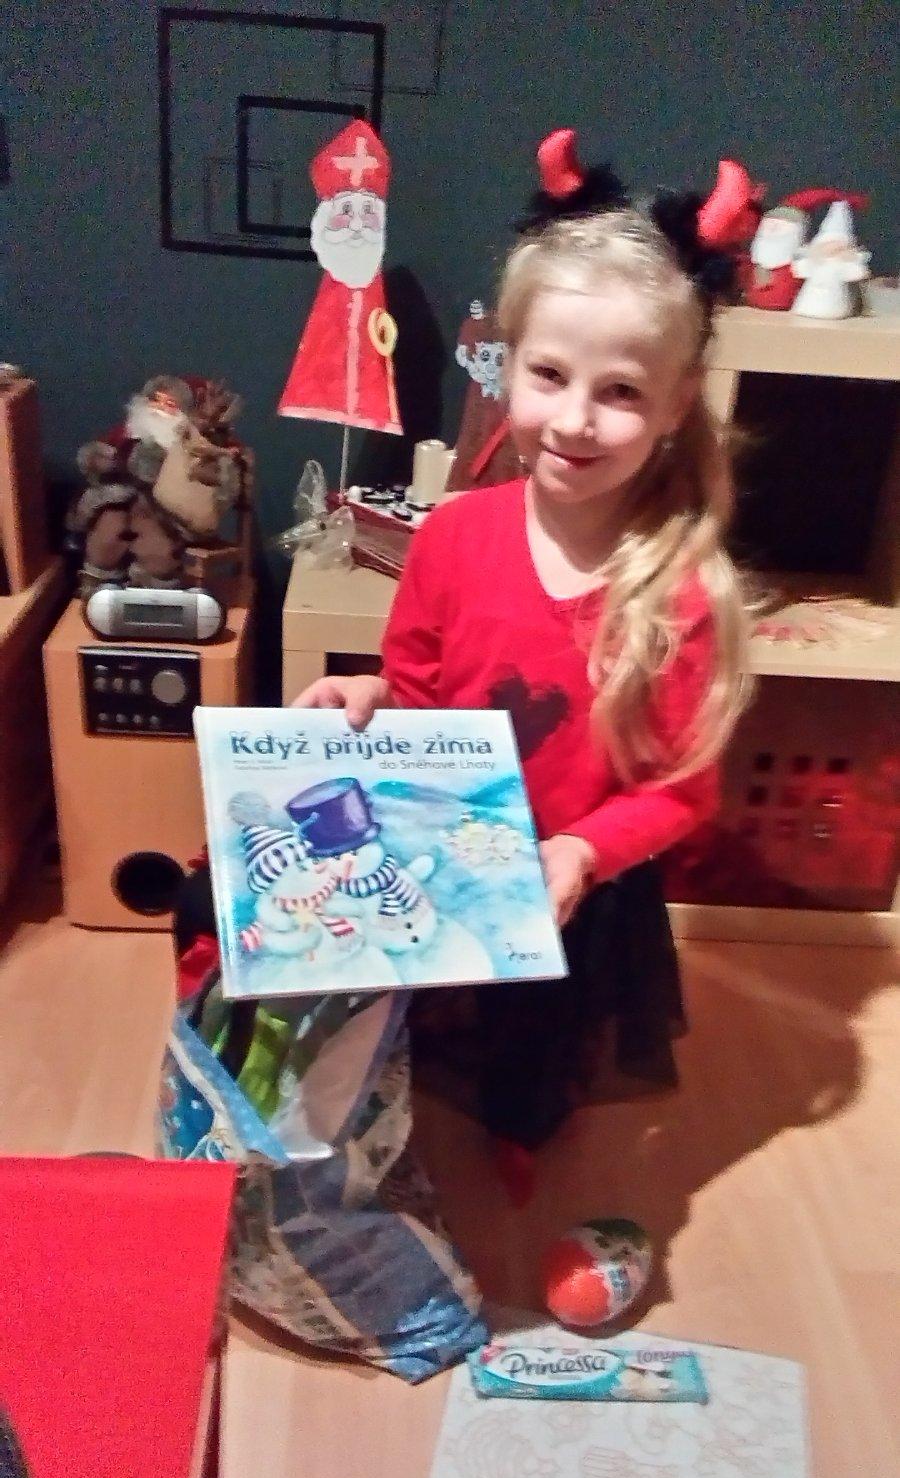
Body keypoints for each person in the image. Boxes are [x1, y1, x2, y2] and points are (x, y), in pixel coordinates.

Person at [294, 131, 753, 1196]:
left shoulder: (679, 589)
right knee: (424, 1015)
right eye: (549, 375)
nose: (576, 421)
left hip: (577, 887)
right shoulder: (455, 535)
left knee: (540, 1048)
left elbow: (683, 791)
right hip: (446, 842)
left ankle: (521, 1138)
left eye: (622, 391)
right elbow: (418, 688)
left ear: (676, 403)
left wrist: (586, 851)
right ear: (508, 364)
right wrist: (371, 695)